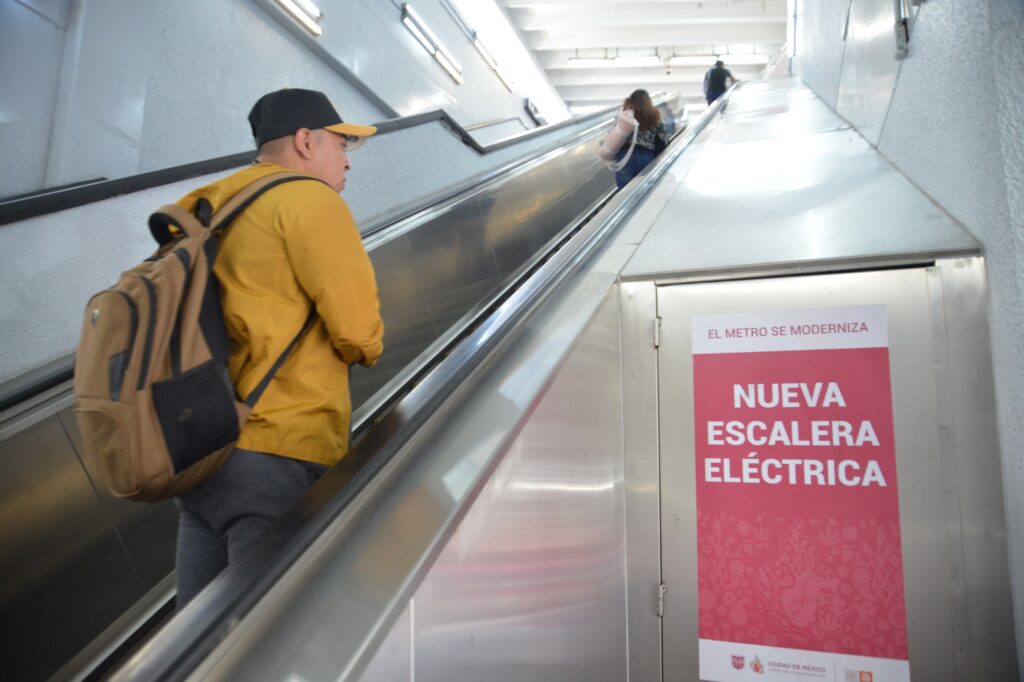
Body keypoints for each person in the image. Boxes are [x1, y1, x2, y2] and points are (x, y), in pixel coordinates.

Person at [172, 88, 385, 606]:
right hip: (279, 446)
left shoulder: (204, 205)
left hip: (203, 449)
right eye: (342, 145)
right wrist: (367, 346)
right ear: (306, 141)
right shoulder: (309, 200)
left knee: (198, 641)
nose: (346, 162)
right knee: (273, 631)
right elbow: (360, 333)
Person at [614, 89, 669, 189]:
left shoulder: (623, 116)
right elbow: (663, 140)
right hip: (646, 157)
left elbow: (614, 135)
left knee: (624, 195)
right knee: (645, 193)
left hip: (625, 158)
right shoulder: (654, 116)